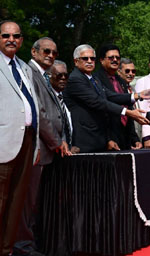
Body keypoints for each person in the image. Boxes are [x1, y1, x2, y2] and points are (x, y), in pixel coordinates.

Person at [13, 37, 71, 256]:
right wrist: (56, 142)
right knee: (28, 202)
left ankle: (31, 243)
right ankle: (23, 247)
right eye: (46, 51)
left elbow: (57, 111)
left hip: (49, 148)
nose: (51, 55)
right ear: (34, 52)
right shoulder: (30, 73)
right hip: (36, 147)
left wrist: (61, 138)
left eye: (55, 52)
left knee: (36, 202)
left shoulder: (43, 76)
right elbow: (41, 113)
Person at [63, 44, 150, 153]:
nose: (89, 61)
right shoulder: (75, 79)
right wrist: (127, 112)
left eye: (92, 58)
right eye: (85, 58)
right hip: (85, 139)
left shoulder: (93, 78)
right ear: (76, 61)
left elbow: (109, 95)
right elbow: (97, 102)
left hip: (100, 137)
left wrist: (135, 96)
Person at [0, 20, 39, 256]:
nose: (11, 39)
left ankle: (6, 250)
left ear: (22, 40)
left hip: (27, 141)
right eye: (5, 35)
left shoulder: (25, 67)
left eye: (15, 36)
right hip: (3, 142)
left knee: (16, 203)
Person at [94, 44, 142, 150]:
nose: (115, 60)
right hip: (107, 139)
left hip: (125, 138)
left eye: (117, 57)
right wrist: (108, 139)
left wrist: (135, 139)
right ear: (102, 60)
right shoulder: (95, 80)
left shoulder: (121, 81)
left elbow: (129, 110)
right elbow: (100, 111)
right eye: (111, 57)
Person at [49, 60, 80, 154]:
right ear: (49, 76)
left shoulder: (67, 97)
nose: (63, 78)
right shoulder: (46, 99)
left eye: (65, 76)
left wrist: (72, 145)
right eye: (59, 75)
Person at [117, 58, 142, 139]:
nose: (131, 74)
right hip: (122, 135)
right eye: (127, 71)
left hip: (136, 134)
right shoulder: (116, 89)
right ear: (119, 72)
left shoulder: (133, 89)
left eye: (133, 71)